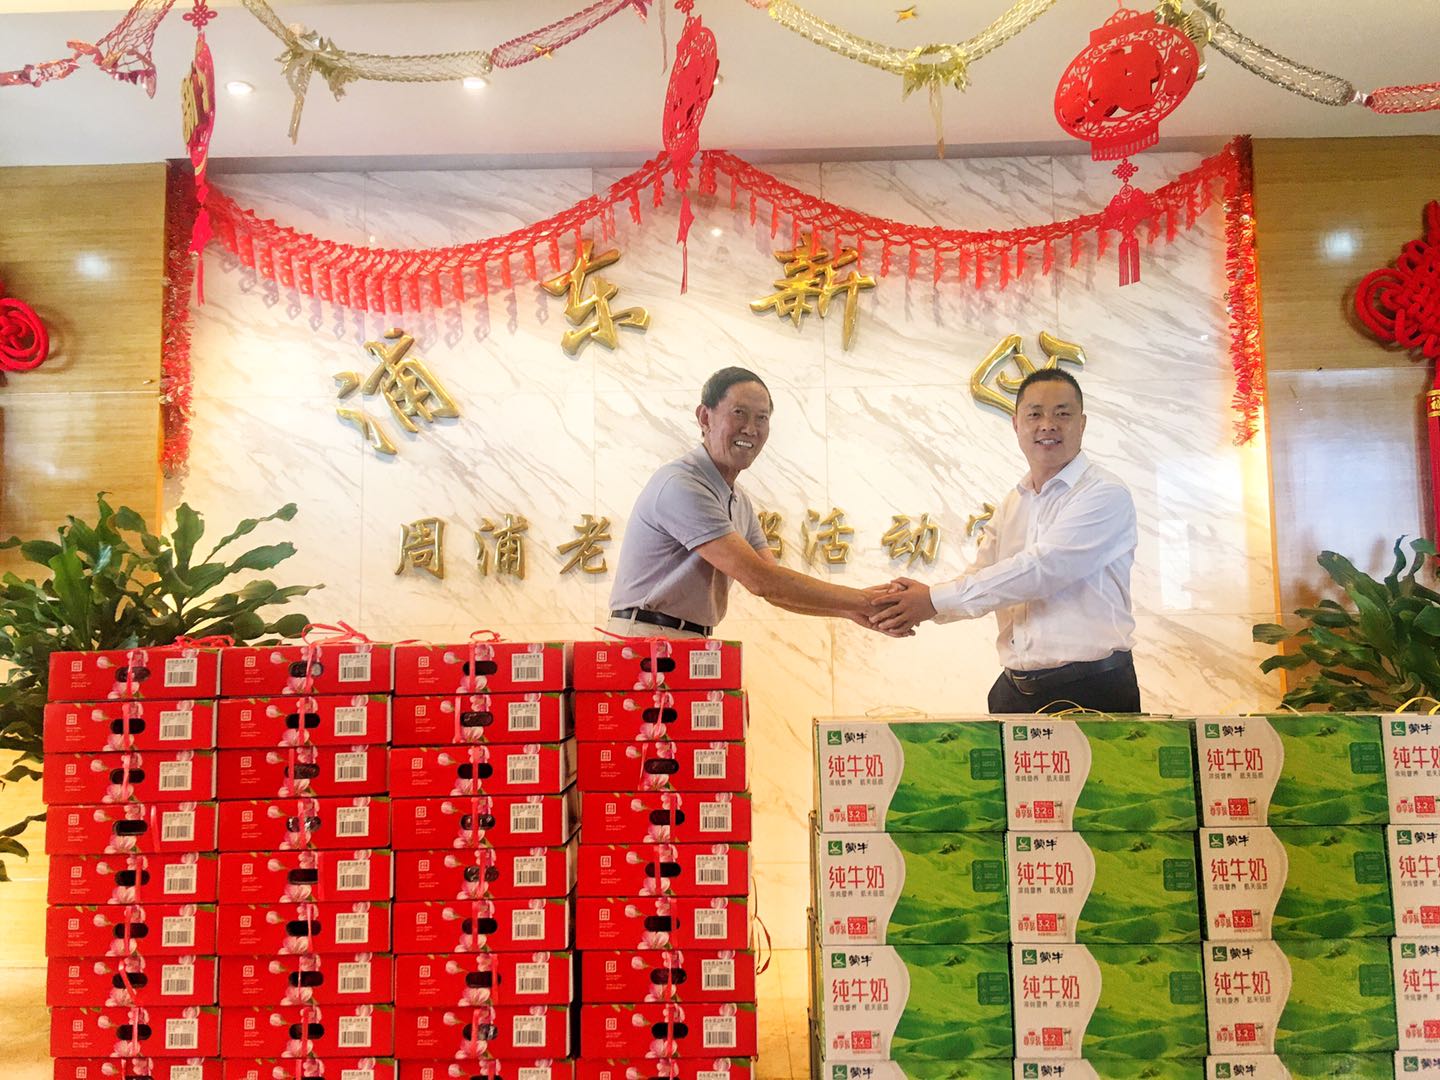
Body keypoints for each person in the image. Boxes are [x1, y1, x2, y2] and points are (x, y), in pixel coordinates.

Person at [871, 367, 1141, 713]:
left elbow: (1041, 570)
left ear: (1082, 424)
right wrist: (916, 606)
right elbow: (981, 573)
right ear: (1016, 424)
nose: (1048, 425)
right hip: (1015, 692)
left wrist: (932, 601)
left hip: (1092, 690)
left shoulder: (1105, 493)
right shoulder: (1014, 502)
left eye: (1062, 414)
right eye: (1035, 414)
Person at [607, 366, 901, 640]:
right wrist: (864, 600)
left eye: (761, 418)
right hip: (645, 637)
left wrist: (850, 610)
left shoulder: (739, 501)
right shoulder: (682, 485)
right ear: (705, 418)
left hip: (688, 639)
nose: (750, 429)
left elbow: (774, 587)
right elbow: (762, 581)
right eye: (739, 413)